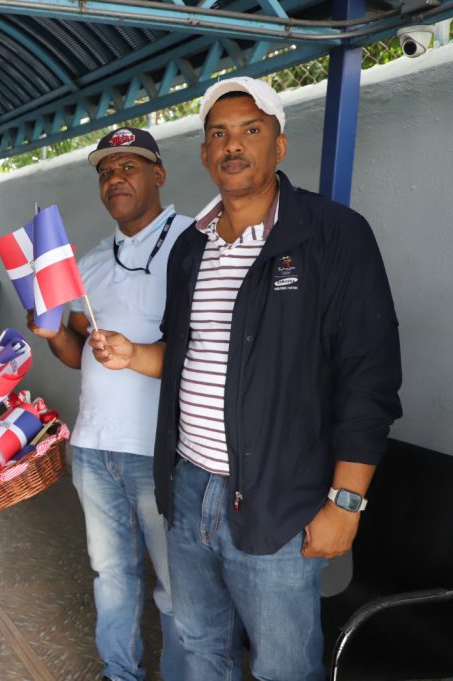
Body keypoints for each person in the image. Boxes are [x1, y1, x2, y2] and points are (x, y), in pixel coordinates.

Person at [90, 77, 402, 680]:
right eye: (219, 134)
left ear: (278, 146)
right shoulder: (192, 247)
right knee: (201, 646)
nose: (233, 145)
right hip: (189, 485)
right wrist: (135, 354)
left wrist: (346, 502)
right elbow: (189, 355)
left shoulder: (332, 234)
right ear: (205, 153)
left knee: (282, 667)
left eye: (250, 130)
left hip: (280, 496)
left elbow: (370, 377)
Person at [28, 127, 189, 681]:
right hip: (95, 449)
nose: (115, 178)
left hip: (162, 450)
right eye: (105, 172)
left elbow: (209, 349)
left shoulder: (193, 244)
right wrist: (53, 332)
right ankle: (121, 673)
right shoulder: (92, 262)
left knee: (177, 584)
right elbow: (79, 355)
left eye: (128, 166)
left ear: (158, 174)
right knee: (112, 575)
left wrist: (137, 353)